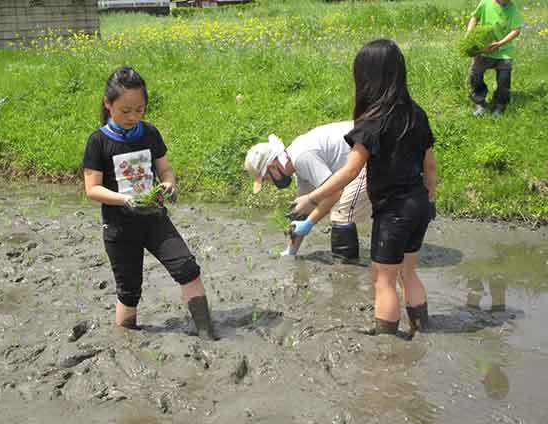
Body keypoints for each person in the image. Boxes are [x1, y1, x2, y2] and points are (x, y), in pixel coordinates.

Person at [291, 40, 437, 337]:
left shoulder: (373, 122)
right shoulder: (416, 113)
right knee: (408, 273)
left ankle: (386, 342)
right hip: (420, 204)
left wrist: (311, 198)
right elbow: (430, 165)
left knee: (383, 281)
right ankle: (421, 329)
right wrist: (430, 198)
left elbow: (350, 171)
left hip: (393, 212)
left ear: (367, 78)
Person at [82, 66, 215, 339]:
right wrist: (126, 200)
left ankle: (207, 333)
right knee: (129, 292)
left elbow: (165, 170)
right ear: (108, 104)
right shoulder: (98, 142)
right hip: (119, 228)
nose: (132, 117)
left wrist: (169, 184)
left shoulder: (150, 133)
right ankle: (126, 344)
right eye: (124, 111)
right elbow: (92, 189)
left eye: (139, 110)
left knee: (187, 269)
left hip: (155, 219)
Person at [244, 123, 371, 260]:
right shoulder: (296, 162)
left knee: (341, 213)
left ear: (273, 167)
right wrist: (291, 251)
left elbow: (335, 193)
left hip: (371, 154)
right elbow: (302, 211)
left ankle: (346, 266)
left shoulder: (301, 158)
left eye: (266, 179)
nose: (270, 184)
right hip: (363, 153)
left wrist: (309, 223)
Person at [467, 0, 524, 118]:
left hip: (504, 51)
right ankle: (479, 102)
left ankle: (500, 104)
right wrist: (469, 33)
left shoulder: (512, 9)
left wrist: (499, 43)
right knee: (475, 75)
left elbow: (516, 30)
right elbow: (474, 17)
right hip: (484, 48)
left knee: (504, 80)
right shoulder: (485, 3)